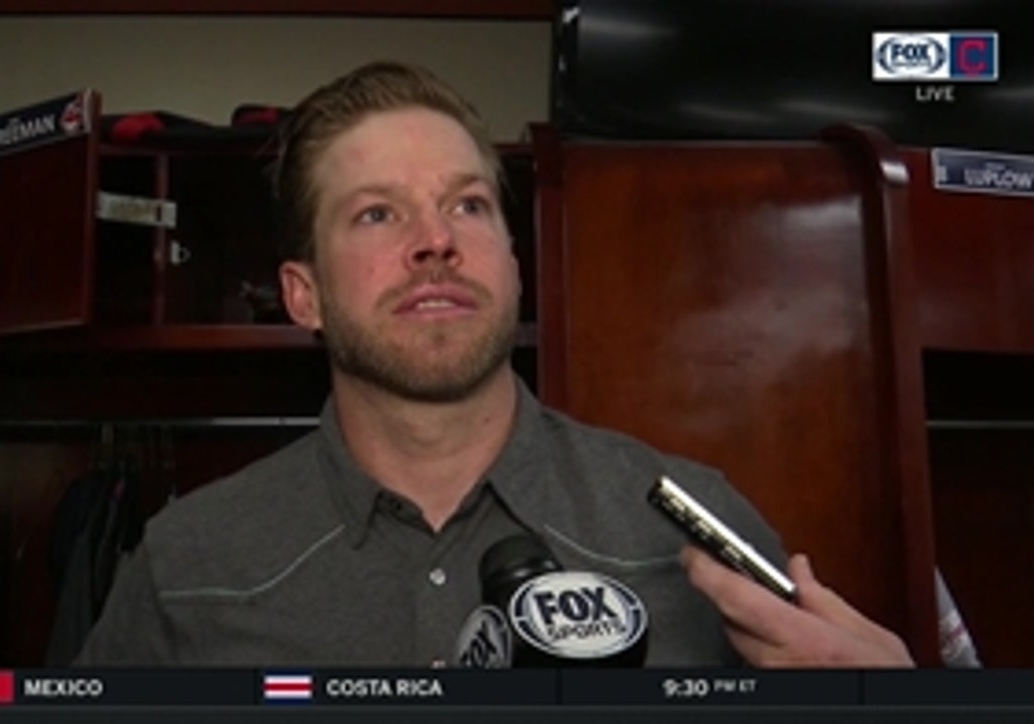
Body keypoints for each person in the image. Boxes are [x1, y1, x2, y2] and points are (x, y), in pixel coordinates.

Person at [76, 60, 914, 669]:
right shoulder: (186, 570)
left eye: (467, 205)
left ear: (513, 264)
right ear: (305, 296)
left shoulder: (693, 527)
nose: (436, 240)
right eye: (377, 213)